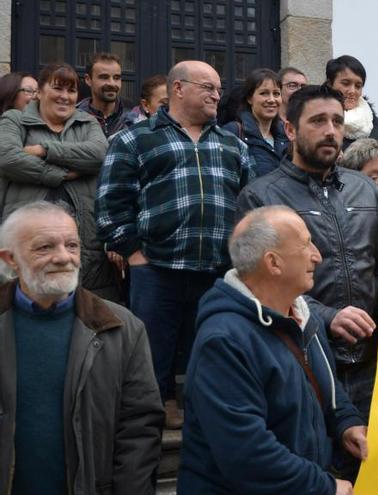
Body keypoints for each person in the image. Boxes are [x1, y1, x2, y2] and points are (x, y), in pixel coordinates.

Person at [237, 84, 378, 481]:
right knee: (311, 473)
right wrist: (327, 316)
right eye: (318, 121)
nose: (331, 130)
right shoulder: (260, 197)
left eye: (337, 121)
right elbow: (255, 287)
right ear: (291, 128)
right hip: (301, 361)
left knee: (372, 474)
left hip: (370, 367)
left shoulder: (365, 188)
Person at [96, 60, 255, 428]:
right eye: (208, 87)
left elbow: (249, 204)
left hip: (217, 270)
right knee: (152, 352)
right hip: (156, 268)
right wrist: (134, 253)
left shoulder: (232, 144)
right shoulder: (135, 138)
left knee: (214, 346)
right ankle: (156, 410)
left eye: (218, 87)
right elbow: (110, 203)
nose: (218, 94)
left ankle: (207, 410)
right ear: (178, 89)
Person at [178, 205, 367, 495]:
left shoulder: (302, 315)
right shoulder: (223, 341)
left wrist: (346, 424)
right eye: (306, 245)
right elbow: (246, 454)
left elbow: (325, 386)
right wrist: (323, 487)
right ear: (273, 263)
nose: (317, 255)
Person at [0, 201, 163, 494]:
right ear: (10, 259)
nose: (63, 257)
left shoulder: (122, 327)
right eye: (44, 247)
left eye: (72, 245)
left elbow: (139, 429)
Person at [0, 63, 119, 301]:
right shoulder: (15, 119)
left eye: (72, 91)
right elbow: (8, 157)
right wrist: (60, 175)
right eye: (57, 89)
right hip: (27, 241)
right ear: (40, 91)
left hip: (84, 244)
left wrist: (44, 149)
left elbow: (99, 154)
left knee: (85, 317)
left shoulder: (87, 123)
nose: (65, 97)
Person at [222, 68, 289, 177]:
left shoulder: (287, 134)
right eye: (264, 93)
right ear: (249, 98)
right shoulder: (232, 133)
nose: (272, 100)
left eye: (276, 93)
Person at [325, 55, 378, 150]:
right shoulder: (317, 119)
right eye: (346, 83)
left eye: (358, 86)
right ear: (329, 84)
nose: (352, 91)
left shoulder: (374, 123)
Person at [77, 52, 129, 137]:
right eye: (104, 77)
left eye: (116, 78)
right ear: (88, 80)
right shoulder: (75, 119)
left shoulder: (132, 119)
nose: (112, 84)